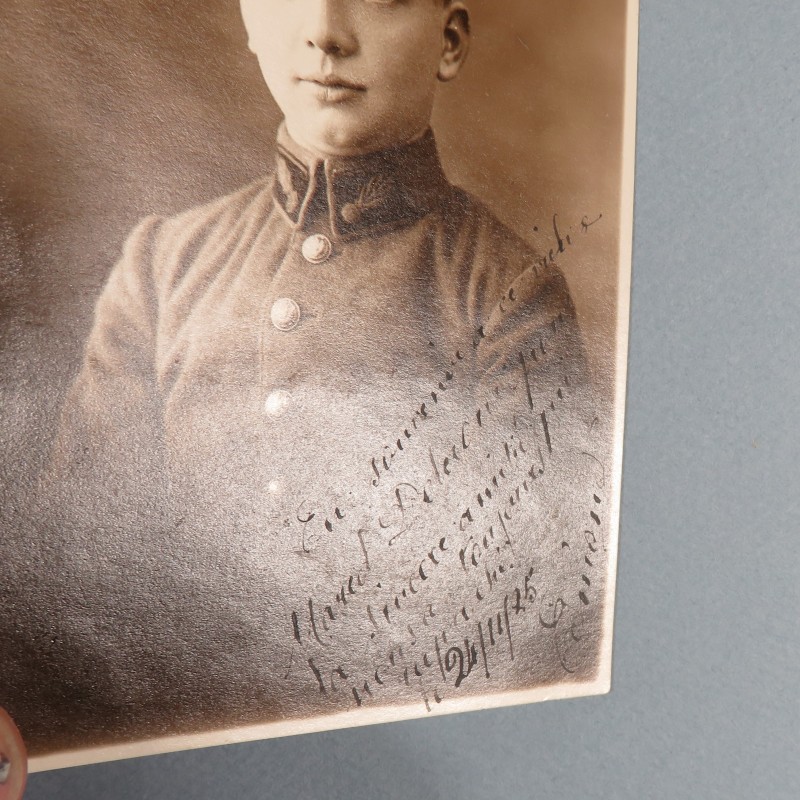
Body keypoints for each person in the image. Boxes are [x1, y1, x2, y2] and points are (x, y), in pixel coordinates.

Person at [10, 0, 598, 753]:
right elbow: (75, 573)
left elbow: (525, 621)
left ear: (448, 42)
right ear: (251, 23)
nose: (325, 33)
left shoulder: (503, 292)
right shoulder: (163, 265)